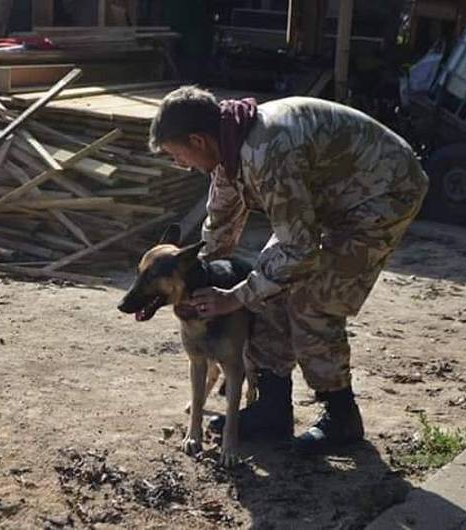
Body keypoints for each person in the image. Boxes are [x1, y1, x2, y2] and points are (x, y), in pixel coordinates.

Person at [148, 86, 429, 453]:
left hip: (382, 194)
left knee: (310, 299)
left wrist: (234, 297)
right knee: (269, 284)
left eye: (177, 155)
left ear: (197, 140)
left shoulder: (266, 151)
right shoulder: (228, 146)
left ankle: (342, 416)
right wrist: (197, 283)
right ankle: (272, 408)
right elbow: (219, 224)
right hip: (333, 198)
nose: (180, 164)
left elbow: (300, 251)